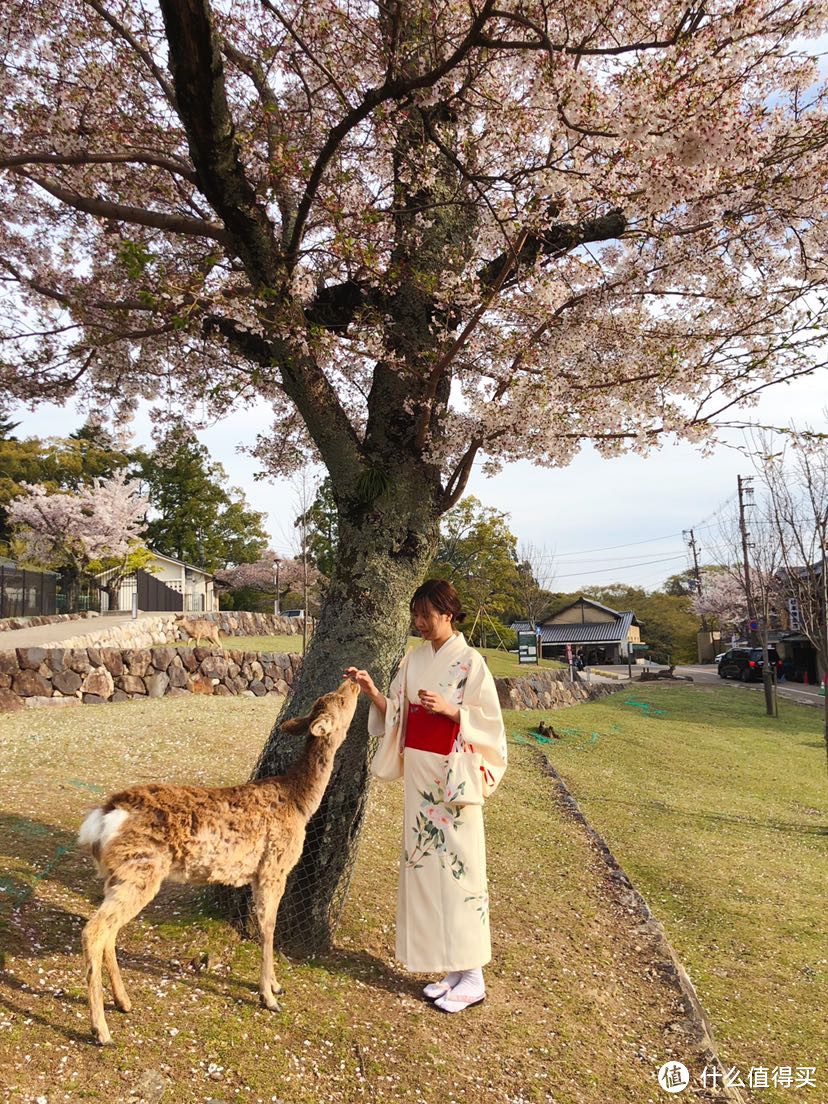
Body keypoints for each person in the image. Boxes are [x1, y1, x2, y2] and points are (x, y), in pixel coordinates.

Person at [344, 579, 507, 1014]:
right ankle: (451, 968)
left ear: (448, 614)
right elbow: (396, 714)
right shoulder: (414, 659)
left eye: (426, 615)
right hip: (420, 775)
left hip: (452, 779)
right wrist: (374, 692)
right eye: (415, 615)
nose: (419, 623)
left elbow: (490, 722)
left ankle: (473, 976)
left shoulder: (471, 662)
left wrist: (453, 711)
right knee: (424, 870)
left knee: (460, 871)